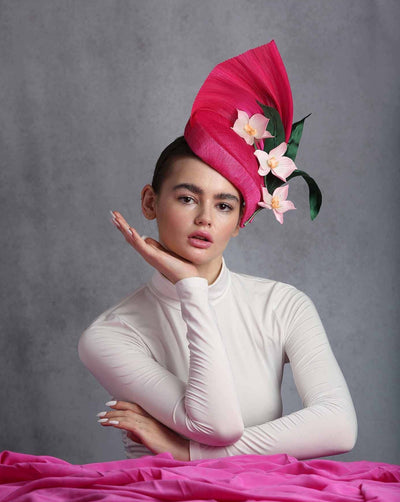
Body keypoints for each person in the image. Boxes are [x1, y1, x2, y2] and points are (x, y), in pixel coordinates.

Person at [78, 41, 357, 462]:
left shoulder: (283, 305)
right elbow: (219, 424)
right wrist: (191, 287)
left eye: (224, 205)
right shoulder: (109, 335)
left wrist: (189, 451)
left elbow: (339, 426)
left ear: (241, 220)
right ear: (151, 203)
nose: (206, 217)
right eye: (188, 198)